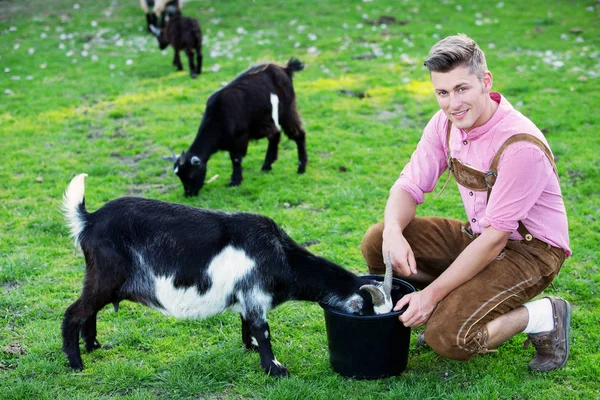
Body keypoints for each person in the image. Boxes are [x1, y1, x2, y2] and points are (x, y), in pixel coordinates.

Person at [360, 34, 571, 371]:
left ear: (485, 81)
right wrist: (393, 234)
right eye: (442, 92)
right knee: (377, 240)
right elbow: (409, 185)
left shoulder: (520, 146)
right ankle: (429, 308)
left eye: (462, 89)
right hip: (479, 235)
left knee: (447, 337)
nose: (452, 104)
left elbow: (495, 240)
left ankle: (544, 315)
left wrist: (431, 297)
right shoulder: (445, 124)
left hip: (531, 251)